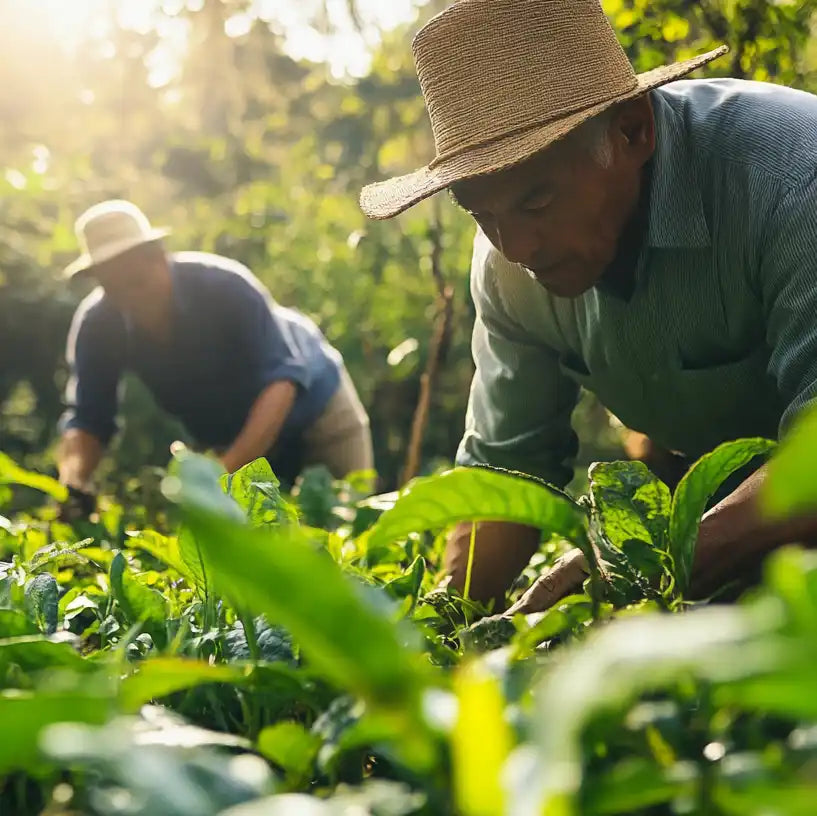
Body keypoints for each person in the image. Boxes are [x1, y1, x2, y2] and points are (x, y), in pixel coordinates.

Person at [359, 0, 817, 611]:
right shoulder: (505, 266)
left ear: (632, 132)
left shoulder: (788, 179)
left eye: (538, 200)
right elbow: (505, 473)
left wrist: (651, 565)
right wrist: (455, 628)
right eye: (481, 213)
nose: (515, 246)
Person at [57, 200, 372, 517]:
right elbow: (89, 419)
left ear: (160, 258)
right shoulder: (98, 325)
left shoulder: (225, 287)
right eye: (114, 288)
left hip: (318, 416)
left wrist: (219, 476)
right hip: (235, 441)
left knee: (348, 531)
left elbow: (282, 384)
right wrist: (74, 481)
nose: (131, 299)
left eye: (137, 282)